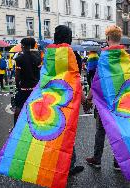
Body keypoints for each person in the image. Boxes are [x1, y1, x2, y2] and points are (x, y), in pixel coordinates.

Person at [85, 25, 124, 171]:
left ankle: (97, 159)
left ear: (108, 39)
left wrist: (89, 98)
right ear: (119, 39)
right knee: (118, 131)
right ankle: (118, 162)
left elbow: (97, 80)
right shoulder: (126, 57)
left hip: (103, 101)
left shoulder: (104, 57)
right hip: (120, 101)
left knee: (101, 131)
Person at [52, 25, 85, 176]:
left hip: (51, 98)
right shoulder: (74, 56)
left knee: (54, 131)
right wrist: (84, 99)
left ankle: (53, 163)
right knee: (68, 133)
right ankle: (68, 166)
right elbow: (76, 81)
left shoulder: (49, 54)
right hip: (69, 100)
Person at [13, 38, 41, 127]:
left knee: (19, 106)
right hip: (35, 88)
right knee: (35, 108)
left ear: (25, 46)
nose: (21, 46)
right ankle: (34, 127)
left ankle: (16, 127)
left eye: (22, 44)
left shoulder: (19, 58)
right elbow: (39, 73)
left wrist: (18, 85)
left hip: (24, 87)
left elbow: (17, 76)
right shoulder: (37, 58)